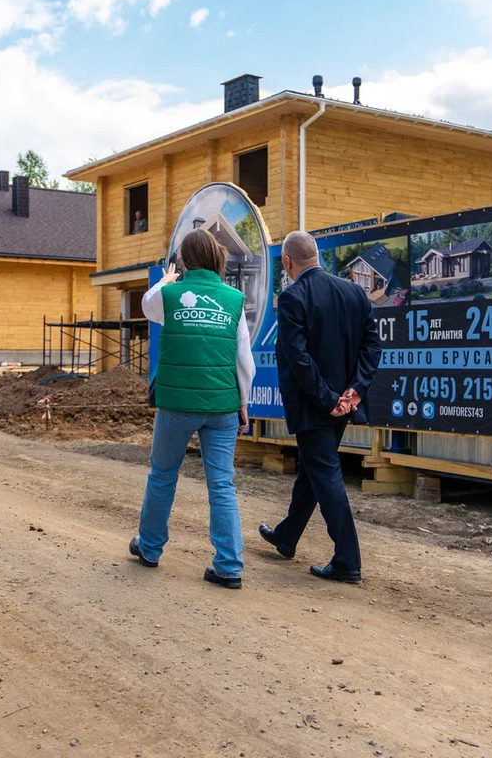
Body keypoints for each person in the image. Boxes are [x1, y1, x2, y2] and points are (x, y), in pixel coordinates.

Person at [129, 228, 256, 589]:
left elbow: (146, 305)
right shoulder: (234, 299)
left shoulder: (168, 296)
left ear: (184, 261)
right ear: (216, 258)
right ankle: (229, 565)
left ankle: (150, 549)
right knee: (222, 484)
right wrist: (243, 404)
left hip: (176, 406)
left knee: (163, 475)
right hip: (222, 405)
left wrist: (166, 279)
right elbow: (243, 362)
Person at [258, 230, 380, 583]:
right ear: (317, 256)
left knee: (324, 473)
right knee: (313, 469)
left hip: (317, 405)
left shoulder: (293, 297)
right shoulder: (355, 291)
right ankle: (287, 536)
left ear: (287, 261)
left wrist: (328, 401)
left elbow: (297, 358)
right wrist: (353, 393)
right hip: (342, 403)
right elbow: (372, 346)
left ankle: (347, 560)